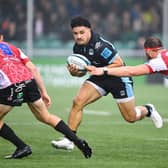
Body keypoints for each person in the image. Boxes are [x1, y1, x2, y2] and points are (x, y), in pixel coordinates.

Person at [51, 16, 163, 151]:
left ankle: (148, 109)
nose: (79, 36)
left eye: (82, 32)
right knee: (78, 102)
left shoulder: (101, 45)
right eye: (75, 33)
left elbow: (119, 63)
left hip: (118, 78)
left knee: (130, 117)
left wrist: (101, 70)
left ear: (89, 30)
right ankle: (70, 139)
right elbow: (82, 72)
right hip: (99, 78)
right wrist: (74, 72)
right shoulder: (78, 48)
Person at [0, 34, 92, 159]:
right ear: (1, 38)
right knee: (45, 116)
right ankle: (77, 141)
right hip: (29, 81)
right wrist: (43, 92)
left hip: (12, 85)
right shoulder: (12, 48)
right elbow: (33, 69)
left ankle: (22, 147)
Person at [86, 37, 168, 78]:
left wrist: (104, 70)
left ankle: (149, 109)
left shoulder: (158, 61)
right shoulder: (164, 54)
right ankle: (148, 109)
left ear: (148, 51)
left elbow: (131, 71)